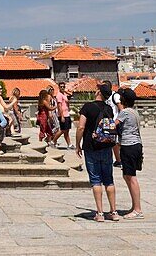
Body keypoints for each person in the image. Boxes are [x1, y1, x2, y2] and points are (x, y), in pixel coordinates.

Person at [76, 82, 119, 222]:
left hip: (91, 146)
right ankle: (113, 211)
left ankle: (100, 213)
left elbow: (81, 127)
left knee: (95, 180)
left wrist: (77, 145)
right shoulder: (109, 109)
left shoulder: (88, 107)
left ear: (99, 92)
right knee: (109, 180)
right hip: (106, 146)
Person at [115, 88, 144, 219]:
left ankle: (137, 209)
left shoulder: (125, 112)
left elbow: (113, 125)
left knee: (131, 177)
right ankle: (135, 206)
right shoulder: (134, 112)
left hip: (129, 145)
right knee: (128, 175)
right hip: (136, 145)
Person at [54, 82, 73, 149]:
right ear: (59, 87)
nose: (62, 88)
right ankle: (54, 141)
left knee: (67, 130)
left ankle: (69, 144)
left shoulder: (64, 94)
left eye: (63, 86)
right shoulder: (59, 95)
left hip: (67, 113)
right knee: (63, 130)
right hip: (63, 115)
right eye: (61, 87)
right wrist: (61, 116)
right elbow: (59, 106)